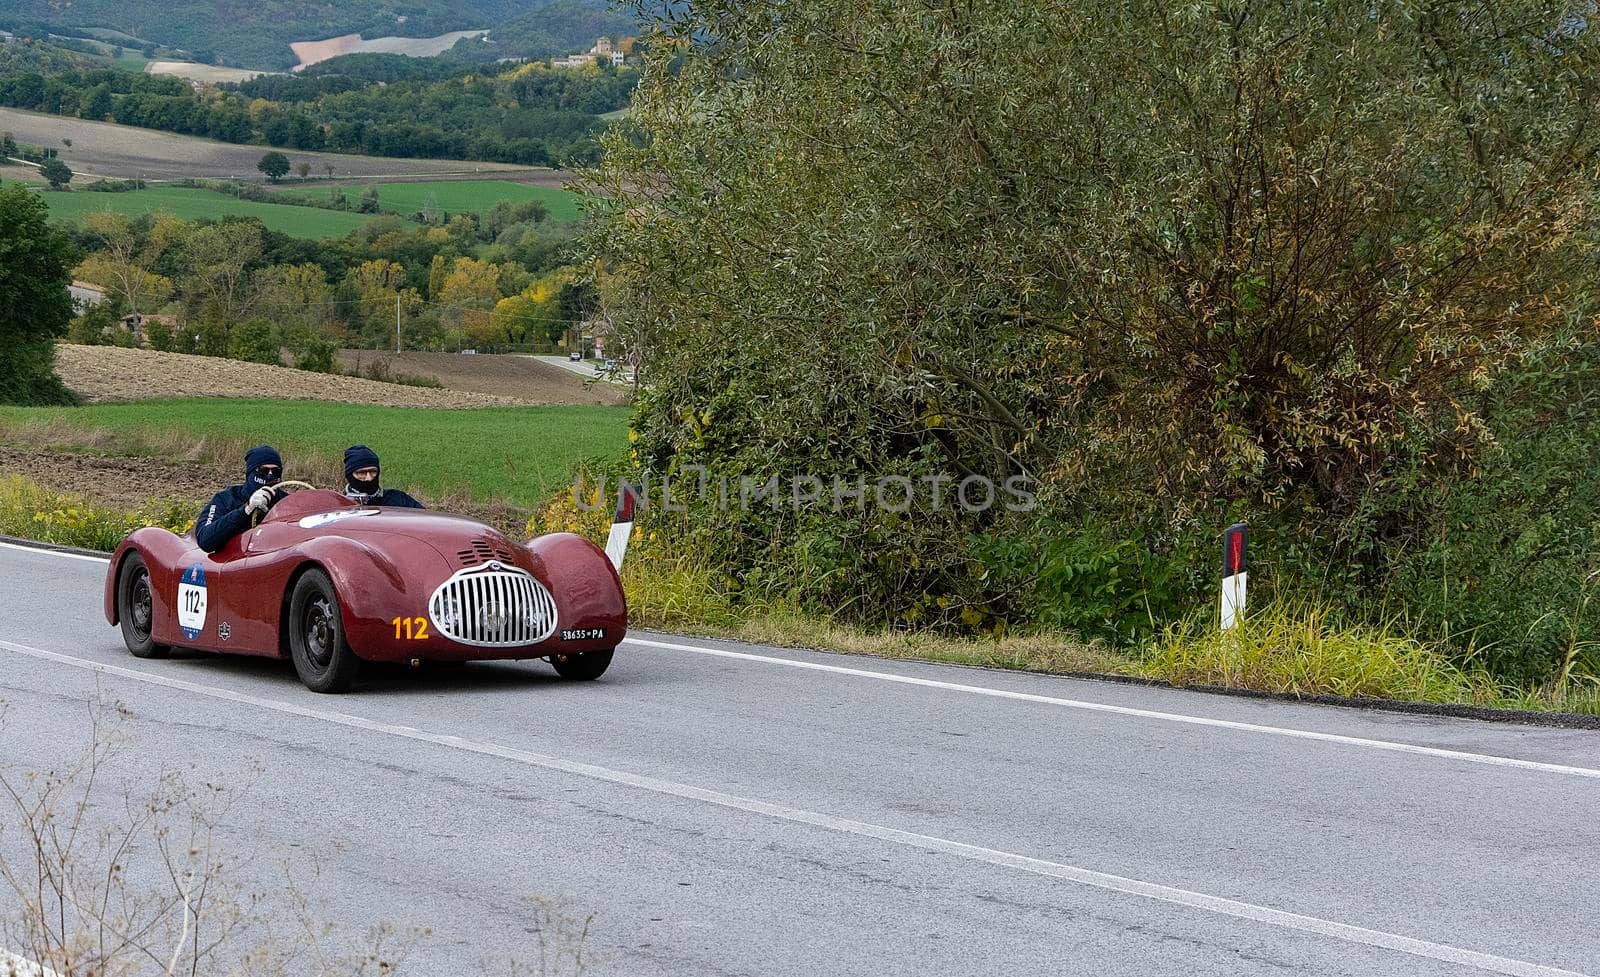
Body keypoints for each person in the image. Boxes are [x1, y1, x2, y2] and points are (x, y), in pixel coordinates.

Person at [196, 445, 283, 553]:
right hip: (234, 560)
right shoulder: (225, 499)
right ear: (251, 473)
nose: (270, 476)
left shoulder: (286, 501)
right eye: (263, 471)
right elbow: (205, 540)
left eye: (276, 472)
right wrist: (245, 510)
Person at [341, 445, 424, 508]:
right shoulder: (340, 504)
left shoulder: (399, 499)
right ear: (349, 475)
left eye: (373, 472)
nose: (369, 478)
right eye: (362, 473)